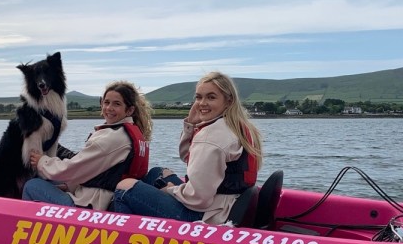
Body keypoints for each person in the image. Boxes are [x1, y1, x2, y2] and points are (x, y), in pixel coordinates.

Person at [112, 71, 262, 224]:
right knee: (157, 173)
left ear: (228, 101)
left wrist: (170, 190)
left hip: (207, 216)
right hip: (225, 205)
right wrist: (191, 124)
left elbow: (198, 198)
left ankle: (129, 239)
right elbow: (188, 157)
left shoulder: (211, 137)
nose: (202, 103)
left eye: (211, 97)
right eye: (199, 97)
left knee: (124, 187)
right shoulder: (236, 127)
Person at [22, 80, 153, 210]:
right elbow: (95, 171)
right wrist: (70, 186)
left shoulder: (113, 137)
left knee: (32, 185)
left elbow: (71, 169)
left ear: (129, 110)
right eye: (106, 102)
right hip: (104, 197)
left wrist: (42, 161)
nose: (109, 108)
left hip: (91, 206)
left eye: (117, 104)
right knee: (55, 181)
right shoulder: (130, 133)